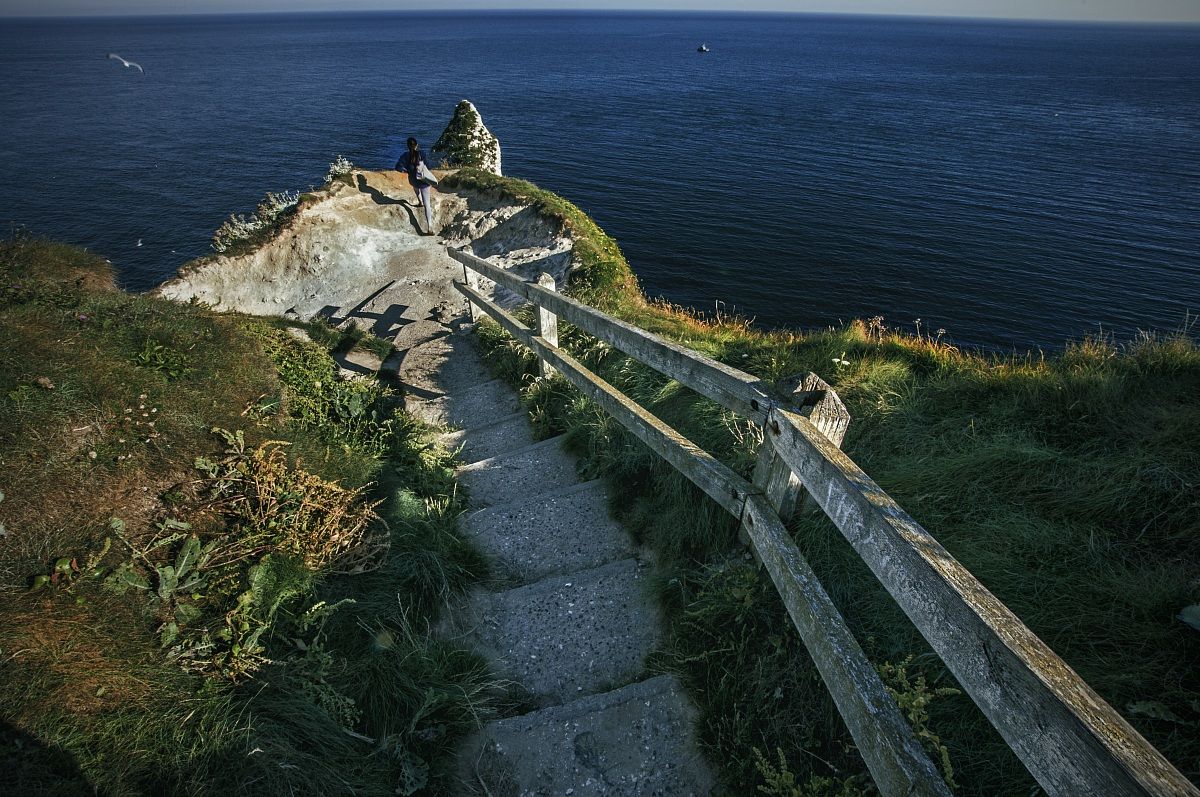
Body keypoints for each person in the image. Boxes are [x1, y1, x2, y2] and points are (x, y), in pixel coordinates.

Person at [395, 137, 435, 234]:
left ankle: (419, 201)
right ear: (417, 145)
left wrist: (407, 171)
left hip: (413, 181)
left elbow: (398, 168)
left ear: (408, 146)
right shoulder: (422, 154)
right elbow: (428, 166)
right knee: (427, 205)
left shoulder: (405, 156)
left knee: (415, 186)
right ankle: (430, 227)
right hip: (424, 181)